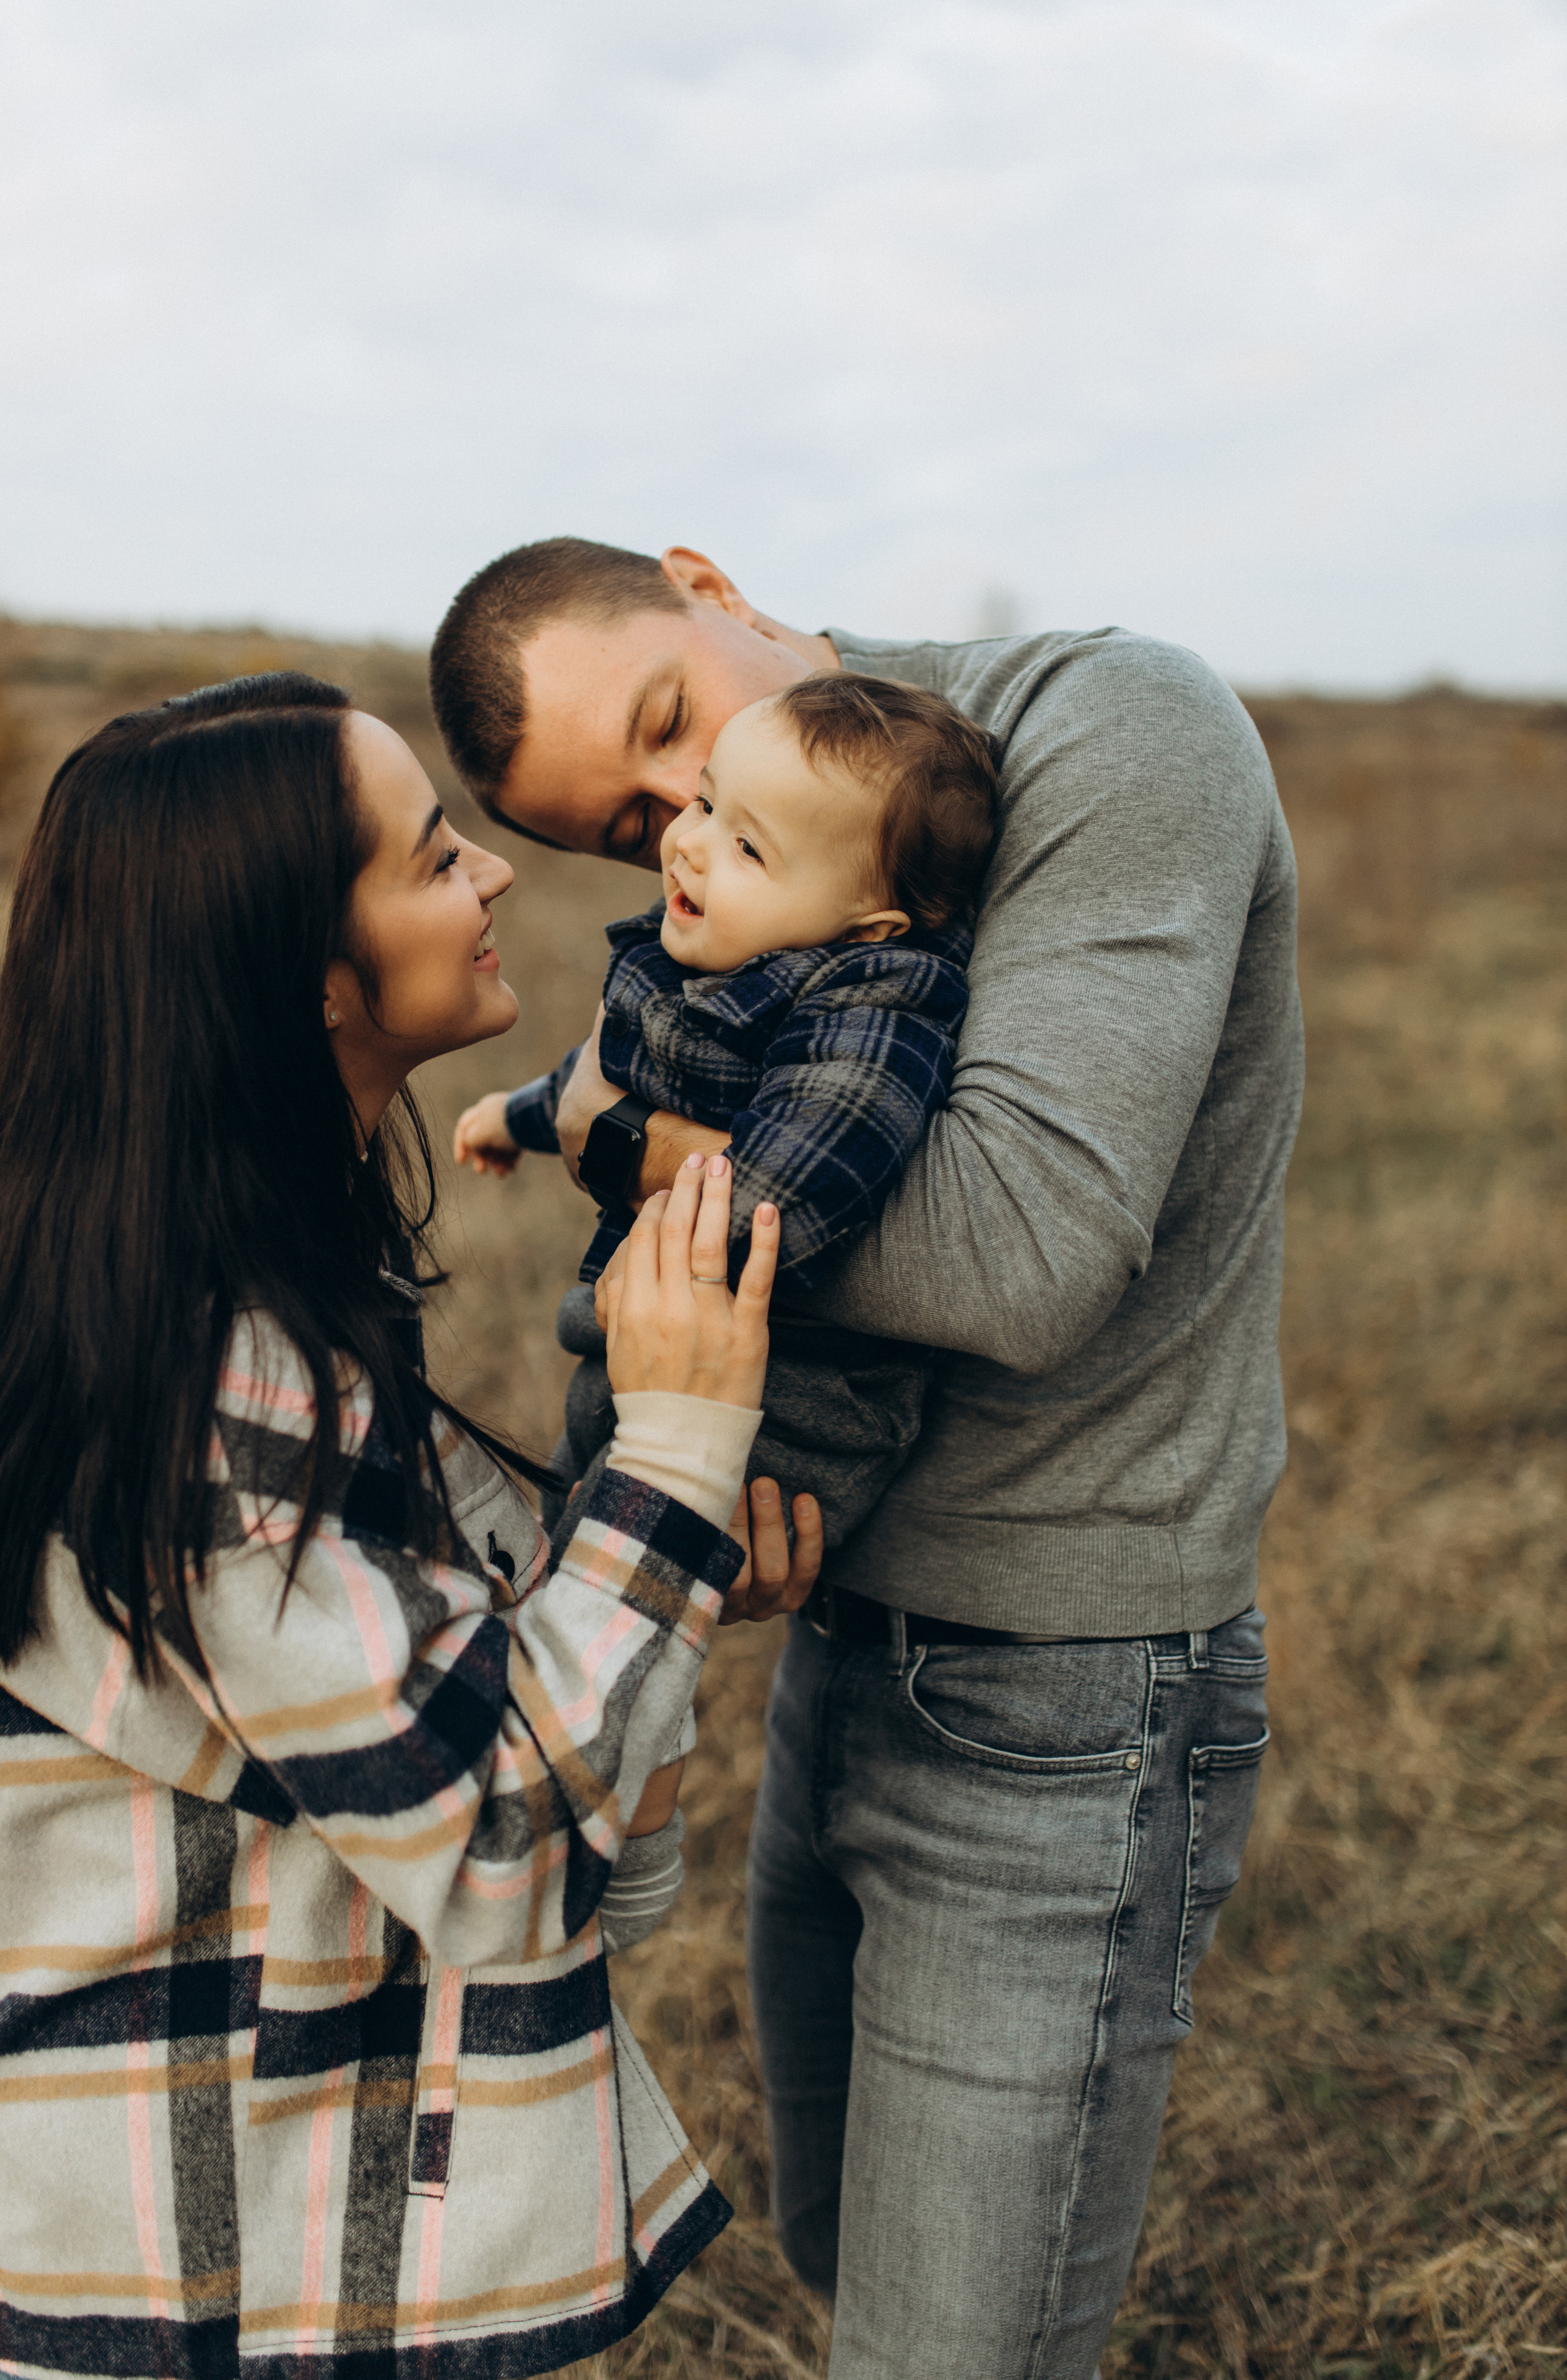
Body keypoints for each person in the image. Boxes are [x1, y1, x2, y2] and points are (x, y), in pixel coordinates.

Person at [428, 539, 1304, 2378]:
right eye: (634, 818)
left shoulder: (1103, 729)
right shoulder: (739, 901)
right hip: (837, 1643)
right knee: (844, 2251)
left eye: (672, 721)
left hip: (1064, 1697)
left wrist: (610, 1133)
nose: (686, 820)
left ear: (705, 578)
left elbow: (1015, 1247)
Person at [0, 672, 818, 2380]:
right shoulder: (211, 1373)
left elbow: (476, 1800)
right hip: (199, 2288)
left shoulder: (194, 1304)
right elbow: (509, 1854)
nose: (494, 875)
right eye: (435, 858)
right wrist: (671, 1447)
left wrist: (651, 1589)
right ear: (305, 974)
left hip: (197, 2246)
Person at [455, 670, 999, 1559]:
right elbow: (613, 1075)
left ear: (869, 927)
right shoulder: (730, 952)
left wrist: (611, 1144)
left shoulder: (873, 1013)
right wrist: (515, 1117)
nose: (691, 846)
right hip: (649, 1361)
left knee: (590, 1591)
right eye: (707, 804)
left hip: (782, 1414)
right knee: (536, 1558)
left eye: (751, 849)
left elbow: (782, 1201)